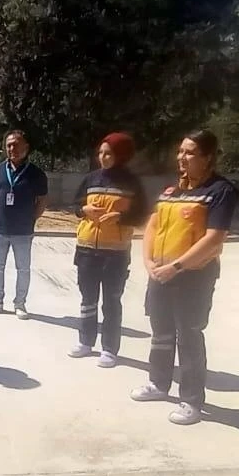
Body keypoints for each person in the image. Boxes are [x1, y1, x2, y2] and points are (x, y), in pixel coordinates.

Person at [130, 129, 239, 425]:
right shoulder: (171, 191)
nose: (182, 157)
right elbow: (152, 227)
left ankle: (191, 400)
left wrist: (176, 267)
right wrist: (149, 262)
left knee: (189, 336)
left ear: (207, 157)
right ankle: (158, 383)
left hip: (193, 277)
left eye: (190, 152)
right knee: (161, 332)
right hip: (160, 273)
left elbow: (214, 238)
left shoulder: (220, 191)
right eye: (181, 151)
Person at [68, 132, 148, 367]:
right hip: (86, 250)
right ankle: (85, 341)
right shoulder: (91, 179)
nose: (102, 157)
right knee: (87, 299)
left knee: (111, 301)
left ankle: (110, 349)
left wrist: (120, 217)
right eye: (100, 153)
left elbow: (142, 214)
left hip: (115, 254)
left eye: (108, 154)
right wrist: (83, 210)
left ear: (121, 155)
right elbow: (75, 205)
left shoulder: (132, 182)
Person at [0, 130, 48, 320]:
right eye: (9, 145)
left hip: (23, 231)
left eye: (16, 144)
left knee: (23, 269)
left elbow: (42, 201)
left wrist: (31, 219)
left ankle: (20, 304)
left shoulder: (36, 174)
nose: (12, 148)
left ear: (26, 147)